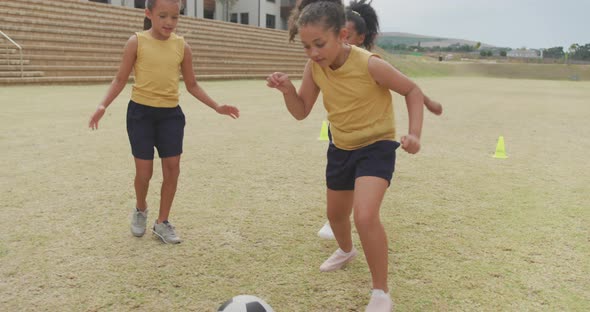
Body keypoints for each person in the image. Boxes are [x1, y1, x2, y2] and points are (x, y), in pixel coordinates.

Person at [267, 0, 426, 310]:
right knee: (336, 215)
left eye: (319, 44)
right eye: (306, 46)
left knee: (365, 216)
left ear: (342, 35)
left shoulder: (370, 64)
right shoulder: (315, 67)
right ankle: (346, 250)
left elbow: (412, 90)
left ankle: (381, 293)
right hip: (340, 147)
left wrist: (415, 133)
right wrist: (288, 90)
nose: (313, 52)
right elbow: (301, 111)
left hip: (376, 147)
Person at [88, 0, 239, 244]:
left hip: (170, 115)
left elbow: (192, 85)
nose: (169, 22)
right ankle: (140, 209)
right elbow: (119, 78)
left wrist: (217, 106)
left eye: (175, 17)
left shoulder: (182, 46)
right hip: (141, 115)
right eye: (163, 16)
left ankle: (162, 222)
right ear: (149, 13)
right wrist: (102, 105)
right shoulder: (136, 41)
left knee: (172, 169)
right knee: (144, 173)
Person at [317, 0, 442, 241]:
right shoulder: (324, 61)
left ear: (358, 37)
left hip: (371, 133)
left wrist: (427, 102)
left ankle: (354, 215)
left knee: (362, 172)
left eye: (348, 36)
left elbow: (405, 85)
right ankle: (338, 217)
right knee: (342, 169)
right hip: (341, 128)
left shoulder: (369, 62)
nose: (341, 41)